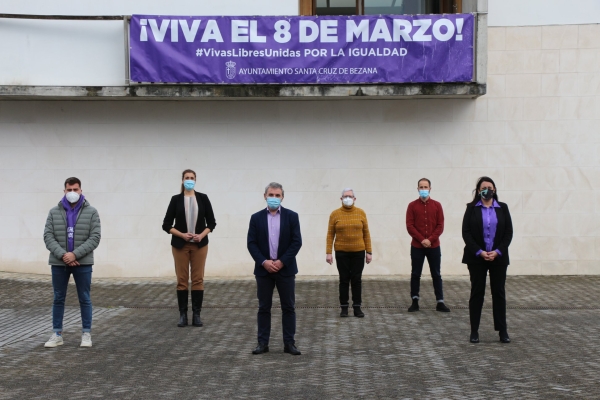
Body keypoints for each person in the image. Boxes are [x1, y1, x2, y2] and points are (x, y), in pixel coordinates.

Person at [43, 177, 101, 348]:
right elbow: (48, 236)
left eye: (75, 189)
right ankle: (57, 333)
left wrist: (75, 255)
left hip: (82, 263)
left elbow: (95, 237)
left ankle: (86, 334)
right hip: (59, 263)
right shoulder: (54, 212)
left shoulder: (91, 212)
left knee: (84, 298)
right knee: (58, 298)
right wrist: (64, 255)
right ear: (64, 191)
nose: (72, 193)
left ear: (81, 191)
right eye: (69, 190)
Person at [247, 182, 302, 356]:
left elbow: (296, 242)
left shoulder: (292, 217)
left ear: (282, 197)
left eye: (277, 195)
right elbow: (251, 243)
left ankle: (289, 343)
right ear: (265, 196)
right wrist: (264, 262)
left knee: (288, 307)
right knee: (264, 307)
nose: (274, 198)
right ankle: (262, 343)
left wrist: (282, 261)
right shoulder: (256, 218)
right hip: (264, 271)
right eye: (271, 195)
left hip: (285, 270)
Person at [462, 176, 513, 344]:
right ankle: (474, 330)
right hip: (477, 258)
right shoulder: (471, 208)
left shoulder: (503, 208)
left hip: (498, 257)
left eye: (489, 187)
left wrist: (498, 251)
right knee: (477, 293)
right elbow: (466, 232)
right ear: (478, 191)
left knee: (498, 293)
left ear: (495, 190)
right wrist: (479, 251)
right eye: (483, 188)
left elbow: (508, 233)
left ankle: (502, 331)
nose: (487, 190)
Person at [162, 169, 216, 328]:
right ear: (182, 180)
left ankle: (197, 315)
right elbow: (166, 225)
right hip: (180, 245)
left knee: (198, 279)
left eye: (192, 178)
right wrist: (182, 235)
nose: (189, 180)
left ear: (196, 180)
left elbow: (212, 223)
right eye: (187, 178)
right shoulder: (175, 199)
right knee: (182, 280)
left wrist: (201, 235)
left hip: (200, 245)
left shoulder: (203, 198)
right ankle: (183, 315)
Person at [326, 188, 372, 318]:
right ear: (341, 199)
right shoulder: (334, 214)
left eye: (350, 196)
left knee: (356, 280)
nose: (348, 199)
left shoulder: (361, 213)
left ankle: (357, 307)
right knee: (344, 279)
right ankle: (344, 308)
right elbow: (330, 234)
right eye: (345, 196)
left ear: (354, 199)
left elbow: (366, 233)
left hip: (358, 252)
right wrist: (328, 252)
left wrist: (369, 251)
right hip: (341, 252)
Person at [405, 178, 450, 312]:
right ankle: (415, 300)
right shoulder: (412, 206)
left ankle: (440, 301)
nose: (423, 189)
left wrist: (430, 239)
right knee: (415, 274)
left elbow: (440, 225)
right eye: (421, 187)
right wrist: (421, 239)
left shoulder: (437, 205)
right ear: (417, 189)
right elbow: (410, 226)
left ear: (430, 188)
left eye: (425, 187)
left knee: (436, 274)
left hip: (434, 246)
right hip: (417, 247)